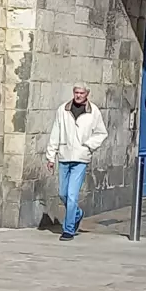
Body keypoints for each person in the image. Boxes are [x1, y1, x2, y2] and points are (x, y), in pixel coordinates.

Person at [46, 84, 108, 241]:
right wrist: (50, 156)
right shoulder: (63, 110)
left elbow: (101, 133)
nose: (78, 95)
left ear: (87, 94)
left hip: (80, 157)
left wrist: (88, 145)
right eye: (76, 92)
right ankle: (77, 214)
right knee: (63, 193)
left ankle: (68, 229)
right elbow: (56, 132)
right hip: (65, 155)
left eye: (81, 93)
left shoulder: (93, 112)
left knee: (72, 195)